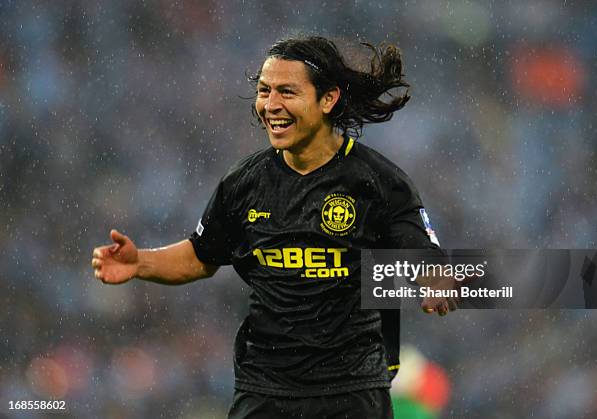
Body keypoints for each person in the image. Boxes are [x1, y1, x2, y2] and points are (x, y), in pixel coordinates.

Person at [92, 36, 453, 419]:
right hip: (264, 390)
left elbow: (423, 256)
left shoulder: (378, 182)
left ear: (327, 99)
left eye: (287, 92)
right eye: (264, 91)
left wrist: (433, 279)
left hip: (351, 391)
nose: (270, 105)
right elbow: (201, 256)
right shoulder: (244, 183)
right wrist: (139, 263)